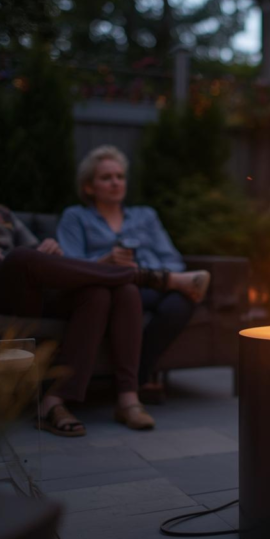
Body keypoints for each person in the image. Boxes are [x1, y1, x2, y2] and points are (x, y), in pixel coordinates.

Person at [0, 136, 208, 437]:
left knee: (99, 292)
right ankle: (151, 277)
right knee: (21, 258)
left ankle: (97, 399)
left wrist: (48, 248)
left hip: (31, 293)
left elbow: (38, 256)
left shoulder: (1, 214)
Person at [57, 146, 208, 404]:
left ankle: (136, 376)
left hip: (154, 284)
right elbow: (70, 266)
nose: (116, 182)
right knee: (153, 293)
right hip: (114, 287)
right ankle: (138, 382)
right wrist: (105, 262)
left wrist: (151, 273)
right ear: (89, 187)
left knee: (182, 302)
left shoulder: (145, 216)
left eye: (120, 176)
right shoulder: (75, 217)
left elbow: (173, 260)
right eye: (106, 178)